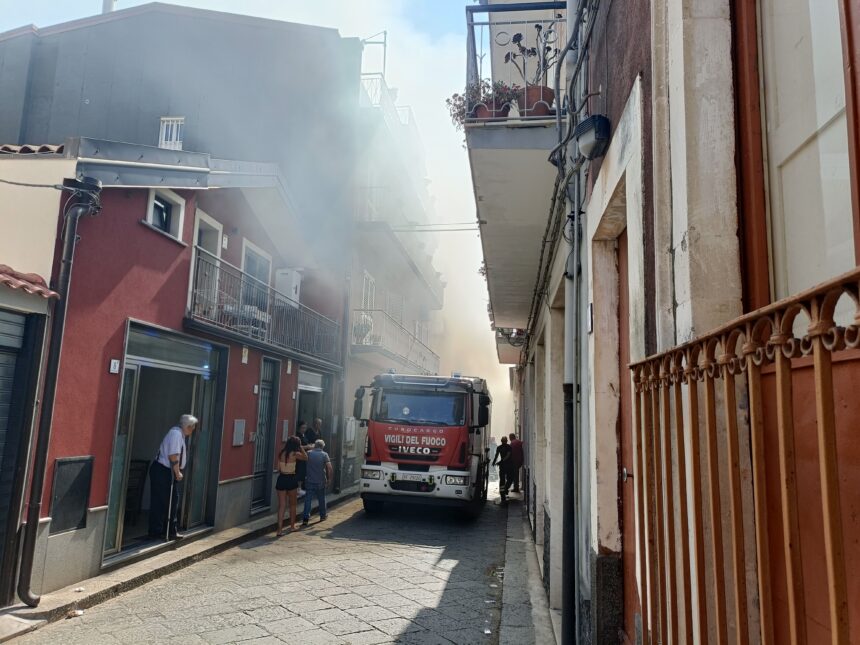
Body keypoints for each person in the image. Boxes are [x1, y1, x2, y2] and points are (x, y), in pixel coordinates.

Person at [149, 414, 198, 540]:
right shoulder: (176, 434)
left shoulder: (177, 433)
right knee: (169, 501)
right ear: (188, 426)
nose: (193, 430)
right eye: (193, 428)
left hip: (163, 470)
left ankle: (161, 531)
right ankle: (166, 531)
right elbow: (173, 456)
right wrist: (177, 473)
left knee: (165, 501)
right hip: (164, 471)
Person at [276, 436, 308, 535]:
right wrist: (301, 447)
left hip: (281, 479)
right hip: (291, 479)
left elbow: (278, 469)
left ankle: (279, 530)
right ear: (296, 445)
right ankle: (292, 526)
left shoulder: (281, 453)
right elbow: (306, 457)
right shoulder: (295, 454)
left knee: (281, 506)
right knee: (293, 505)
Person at [302, 439, 333, 526]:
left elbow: (302, 450)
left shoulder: (309, 453)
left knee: (308, 499)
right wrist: (330, 479)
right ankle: (322, 515)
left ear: (315, 445)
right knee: (321, 499)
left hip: (309, 480)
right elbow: (329, 468)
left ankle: (305, 518)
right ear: (322, 446)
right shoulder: (324, 454)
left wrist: (309, 447)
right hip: (320, 480)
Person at [492, 435, 513, 503]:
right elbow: (508, 455)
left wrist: (495, 462)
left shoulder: (499, 447)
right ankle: (504, 491)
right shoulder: (509, 447)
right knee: (509, 478)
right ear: (506, 441)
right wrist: (496, 462)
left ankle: (503, 492)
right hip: (508, 465)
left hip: (503, 465)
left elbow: (496, 456)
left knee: (502, 480)